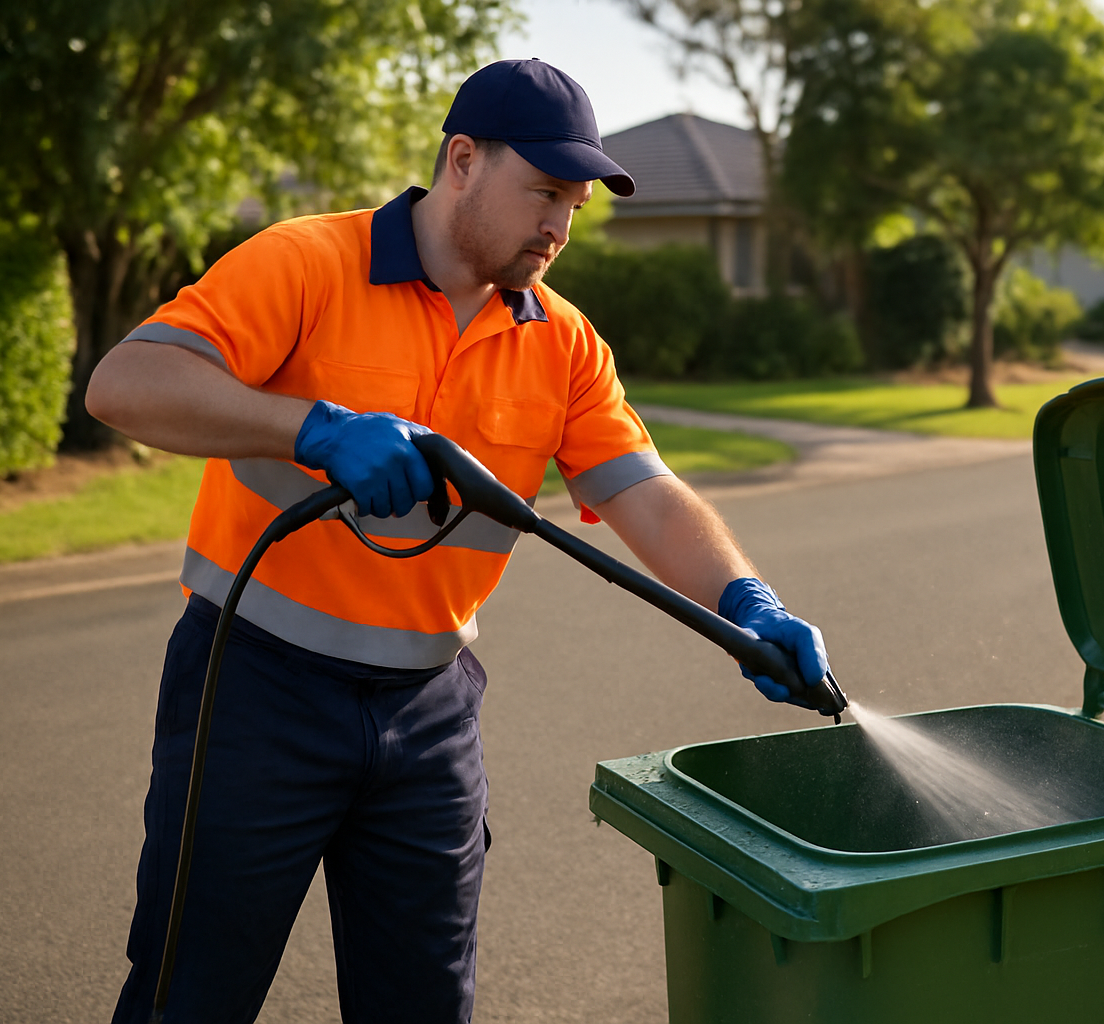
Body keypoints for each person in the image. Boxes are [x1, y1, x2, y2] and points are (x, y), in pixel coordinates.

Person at [85, 58, 831, 1024]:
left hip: (427, 716)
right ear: (464, 160)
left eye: (576, 204)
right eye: (546, 193)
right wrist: (315, 428)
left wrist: (746, 600)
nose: (561, 227)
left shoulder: (562, 343)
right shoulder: (307, 262)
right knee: (189, 996)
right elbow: (124, 384)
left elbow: (644, 492)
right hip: (253, 690)